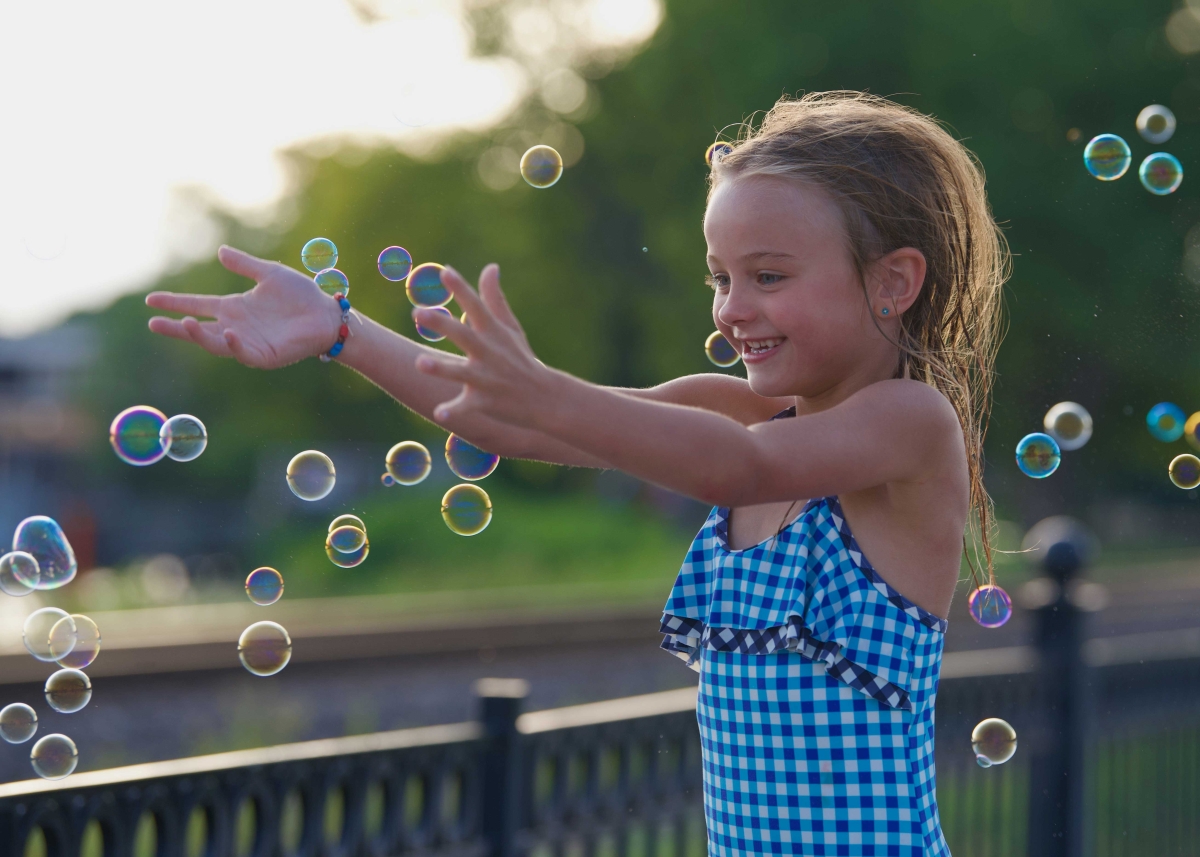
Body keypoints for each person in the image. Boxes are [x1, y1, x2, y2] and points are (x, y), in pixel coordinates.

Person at [147, 90, 1007, 854]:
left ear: (893, 280)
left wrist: (550, 391)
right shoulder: (733, 409)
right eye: (721, 278)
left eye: (769, 276)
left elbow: (740, 470)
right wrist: (339, 331)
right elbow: (503, 419)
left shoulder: (910, 425)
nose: (732, 307)